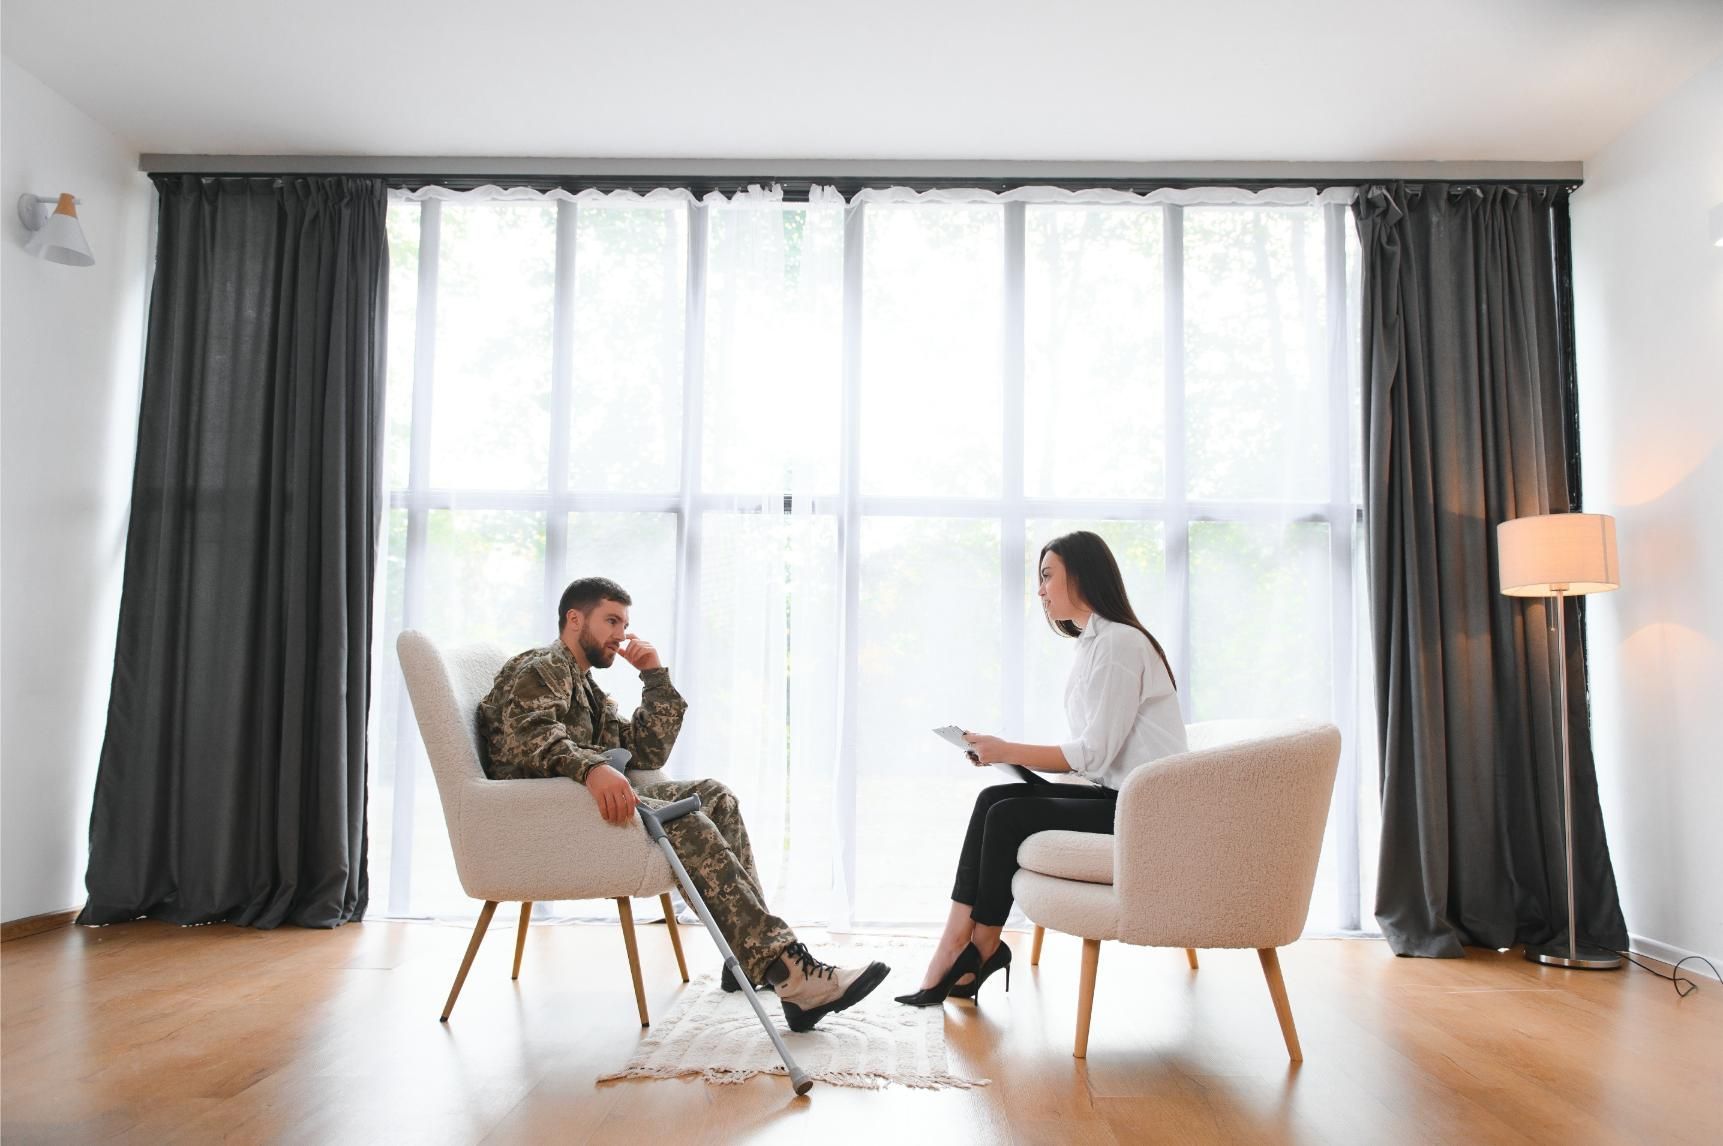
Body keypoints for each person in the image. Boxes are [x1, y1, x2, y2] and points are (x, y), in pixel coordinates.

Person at [478, 575, 889, 1032]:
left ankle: (749, 959)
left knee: (715, 796)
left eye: (625, 623)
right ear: (574, 619)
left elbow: (646, 752)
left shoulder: (586, 687)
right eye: (611, 621)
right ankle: (791, 974)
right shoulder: (543, 667)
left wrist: (654, 677)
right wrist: (592, 769)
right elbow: (530, 736)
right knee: (688, 821)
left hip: (575, 801)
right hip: (546, 813)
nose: (621, 634)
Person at [896, 531, 1187, 1006]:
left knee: (1009, 813)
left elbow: (1093, 753)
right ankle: (958, 946)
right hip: (1116, 793)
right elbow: (1097, 756)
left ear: (1082, 574)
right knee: (994, 799)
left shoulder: (1119, 644)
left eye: (1048, 576)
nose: (1040, 589)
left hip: (1143, 809)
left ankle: (979, 949)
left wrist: (1008, 747)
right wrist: (1004, 754)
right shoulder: (1095, 644)